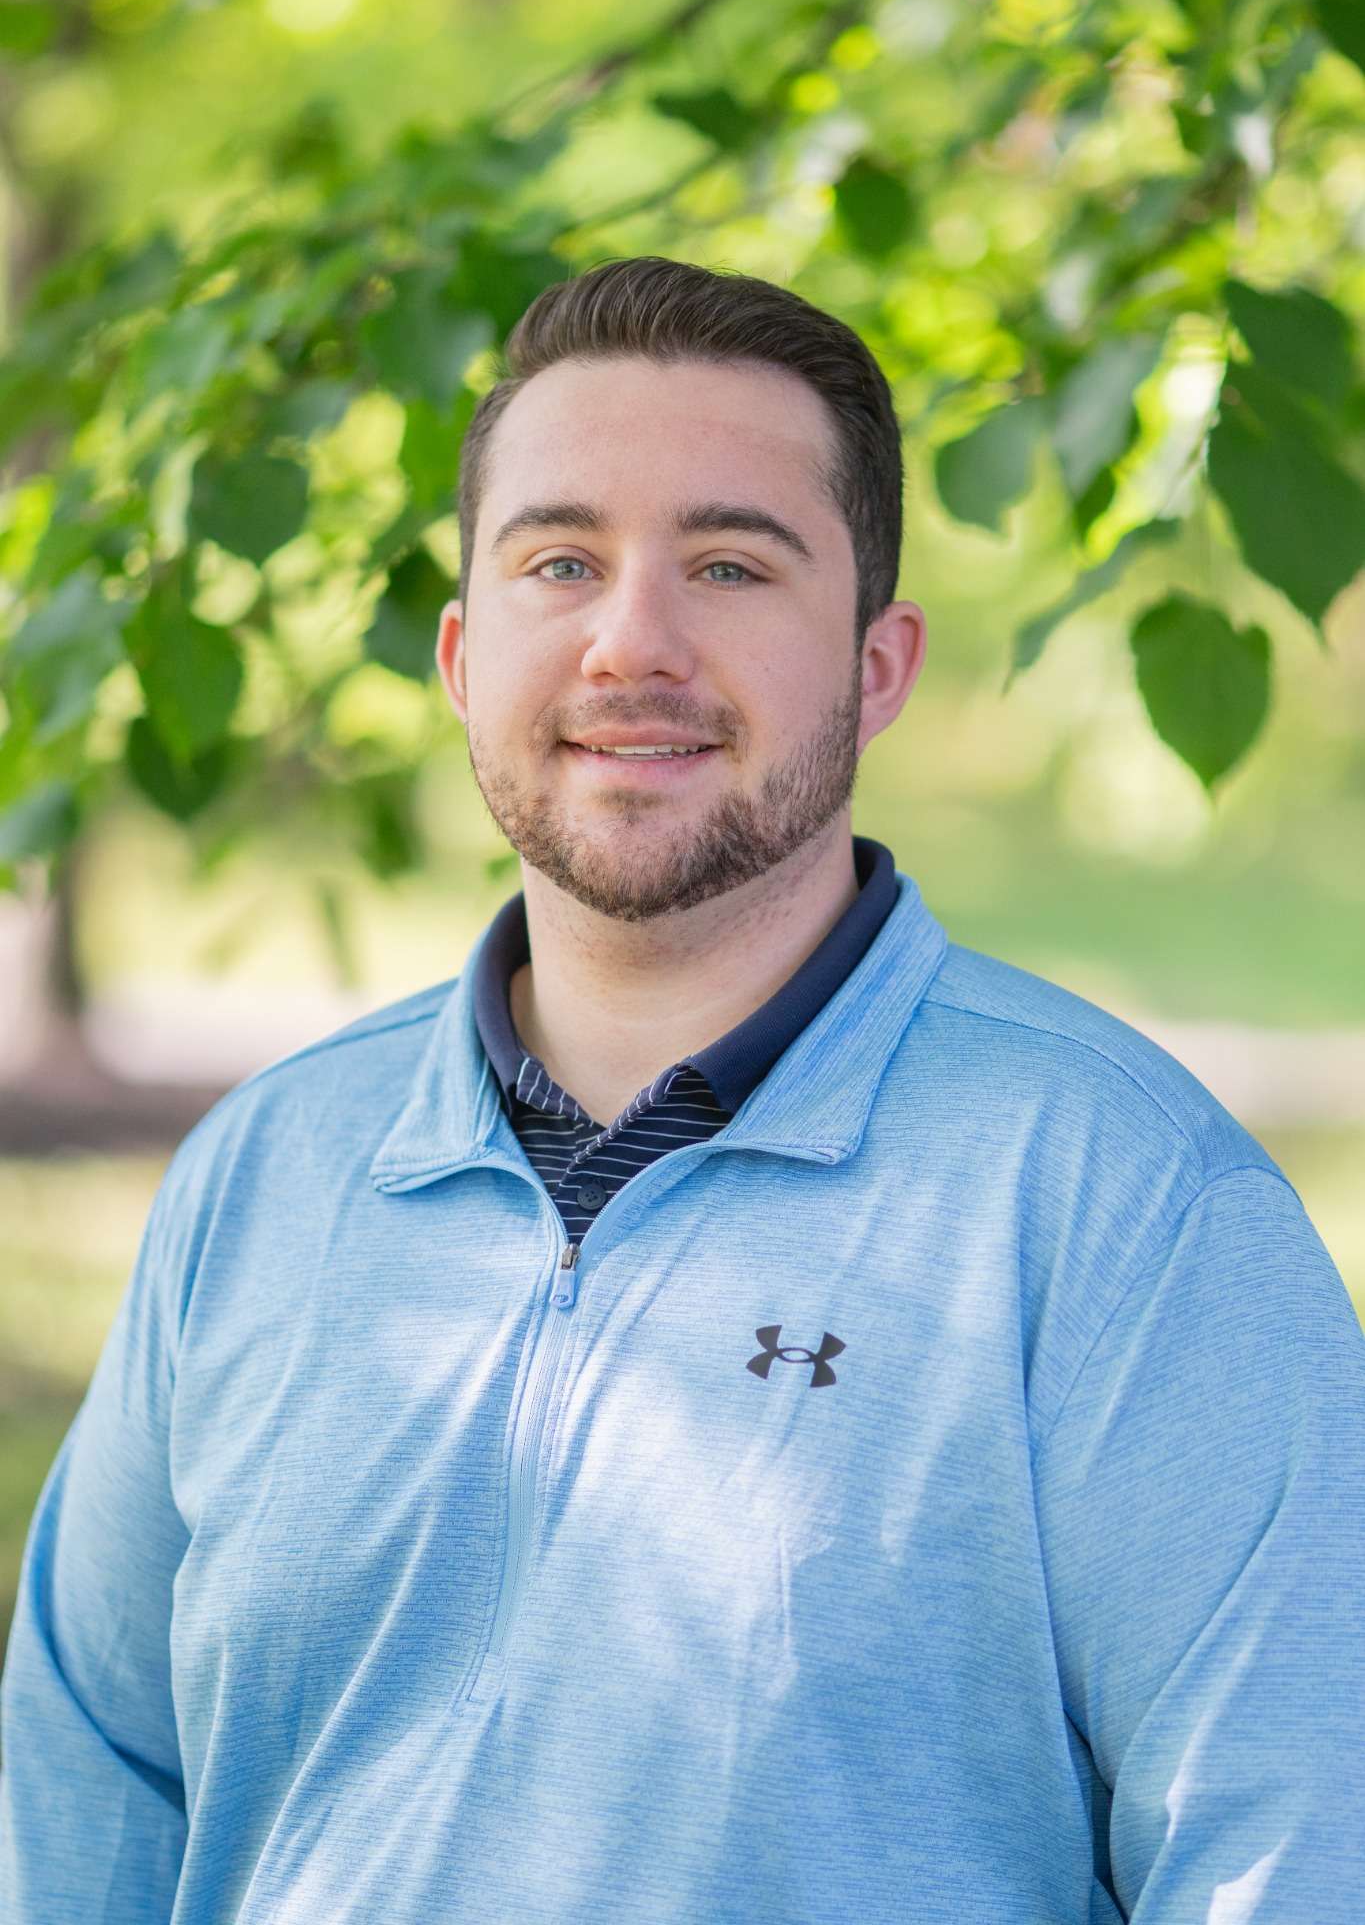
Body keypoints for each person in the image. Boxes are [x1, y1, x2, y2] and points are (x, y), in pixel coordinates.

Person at [2, 256, 1362, 1925]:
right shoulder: (263, 1177)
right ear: (455, 654)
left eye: (728, 564)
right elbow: (78, 1813)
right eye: (558, 561)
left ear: (875, 664)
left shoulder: (1124, 1206)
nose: (629, 643)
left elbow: (1294, 1856)